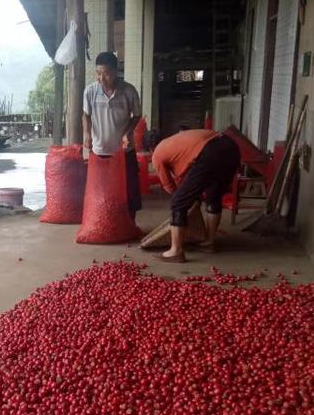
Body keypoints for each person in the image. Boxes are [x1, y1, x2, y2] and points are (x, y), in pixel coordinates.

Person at [151, 129, 240, 262]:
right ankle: (209, 243)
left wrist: (182, 200)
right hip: (231, 148)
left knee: (178, 202)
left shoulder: (157, 153)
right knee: (213, 196)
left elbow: (168, 185)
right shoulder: (177, 141)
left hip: (210, 151)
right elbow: (191, 176)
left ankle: (176, 251)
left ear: (151, 147)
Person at [82, 51, 143, 219]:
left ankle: (130, 224)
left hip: (124, 151)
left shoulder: (129, 91)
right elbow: (86, 115)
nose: (101, 78)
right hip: (100, 150)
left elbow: (136, 115)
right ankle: (104, 221)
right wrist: (87, 134)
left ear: (116, 71)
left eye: (106, 73)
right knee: (101, 191)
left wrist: (127, 132)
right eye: (98, 73)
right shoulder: (90, 91)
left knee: (129, 191)